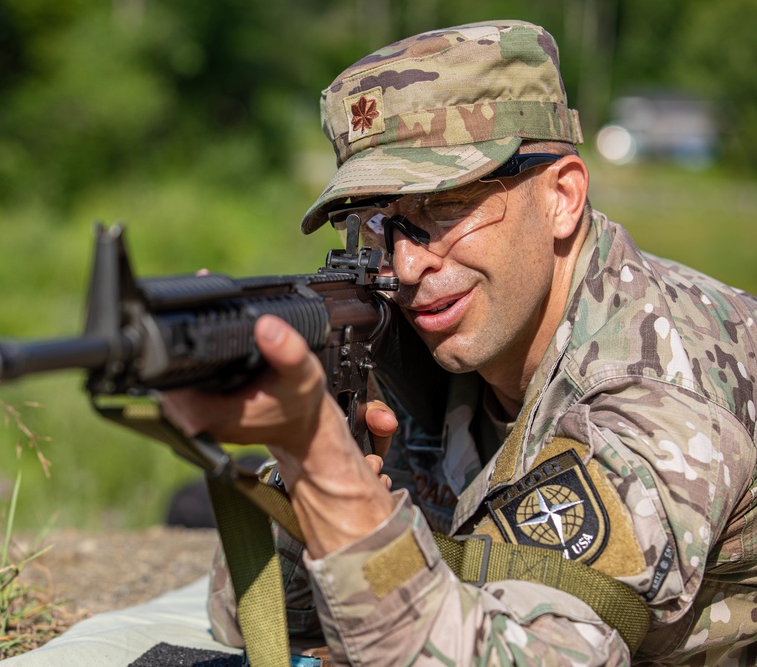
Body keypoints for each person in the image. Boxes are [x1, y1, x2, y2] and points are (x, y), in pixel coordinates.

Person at [161, 19, 757, 666]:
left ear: (562, 196)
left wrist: (326, 463)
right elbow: (249, 612)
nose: (407, 265)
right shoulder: (431, 343)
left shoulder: (656, 388)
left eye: (445, 205)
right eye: (375, 222)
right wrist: (313, 455)